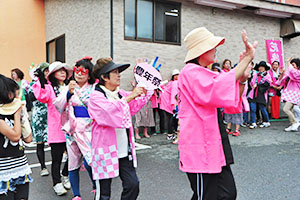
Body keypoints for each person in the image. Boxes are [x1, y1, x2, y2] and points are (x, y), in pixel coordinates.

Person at [178, 27, 257, 200]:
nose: (215, 50)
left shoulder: (201, 73)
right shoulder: (190, 72)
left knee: (226, 193)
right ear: (202, 50)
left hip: (212, 141)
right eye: (212, 46)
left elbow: (225, 96)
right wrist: (247, 59)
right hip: (199, 144)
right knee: (207, 195)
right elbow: (217, 88)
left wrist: (242, 77)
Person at [88, 57, 152, 200]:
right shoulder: (95, 96)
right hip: (104, 151)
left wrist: (145, 90)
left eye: (118, 72)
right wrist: (132, 96)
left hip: (123, 149)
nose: (119, 75)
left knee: (132, 185)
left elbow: (133, 106)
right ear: (104, 77)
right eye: (115, 72)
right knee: (103, 194)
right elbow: (108, 112)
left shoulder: (120, 93)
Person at [53, 57, 96, 200]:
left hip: (88, 128)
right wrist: (68, 93)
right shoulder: (69, 87)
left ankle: (96, 186)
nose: (79, 73)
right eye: (77, 70)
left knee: (90, 161)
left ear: (89, 74)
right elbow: (58, 104)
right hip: (72, 129)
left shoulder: (94, 88)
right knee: (73, 163)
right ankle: (77, 194)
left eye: (83, 71)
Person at [33, 61, 72, 196]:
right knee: (57, 158)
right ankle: (57, 183)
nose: (62, 72)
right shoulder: (49, 88)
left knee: (74, 156)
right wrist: (41, 80)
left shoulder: (70, 86)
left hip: (72, 128)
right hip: (57, 129)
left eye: (64, 70)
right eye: (59, 70)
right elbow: (41, 96)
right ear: (53, 74)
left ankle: (65, 174)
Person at [0, 74, 33, 200]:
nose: (16, 94)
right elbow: (15, 136)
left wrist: (22, 115)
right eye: (12, 91)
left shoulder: (14, 110)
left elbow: (28, 138)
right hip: (3, 170)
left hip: (20, 166)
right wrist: (17, 114)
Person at [27, 63, 50, 177]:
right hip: (39, 117)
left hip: (51, 116)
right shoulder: (34, 84)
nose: (47, 73)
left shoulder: (52, 84)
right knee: (40, 142)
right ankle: (43, 166)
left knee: (56, 143)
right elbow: (31, 97)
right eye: (45, 71)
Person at [277, 58, 300, 131]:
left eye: (293, 65)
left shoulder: (298, 73)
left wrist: (288, 63)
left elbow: (294, 73)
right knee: (290, 109)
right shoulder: (291, 74)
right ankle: (293, 125)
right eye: (291, 65)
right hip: (289, 93)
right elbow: (279, 82)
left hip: (294, 94)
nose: (292, 66)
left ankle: (295, 122)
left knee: (286, 109)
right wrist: (281, 74)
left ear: (298, 66)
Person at [248, 61, 272, 128]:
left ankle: (266, 121)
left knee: (262, 108)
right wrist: (252, 83)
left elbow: (267, 84)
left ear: (265, 68)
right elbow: (252, 83)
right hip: (253, 93)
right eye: (260, 67)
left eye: (262, 67)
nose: (261, 68)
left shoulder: (267, 76)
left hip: (261, 94)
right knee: (253, 108)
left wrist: (258, 85)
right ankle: (253, 122)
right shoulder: (256, 75)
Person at [160, 69, 179, 140]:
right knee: (171, 118)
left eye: (178, 75)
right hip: (170, 103)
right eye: (176, 75)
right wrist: (174, 105)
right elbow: (174, 95)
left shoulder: (171, 83)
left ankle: (171, 133)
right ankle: (170, 134)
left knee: (170, 118)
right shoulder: (174, 83)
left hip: (167, 103)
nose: (177, 76)